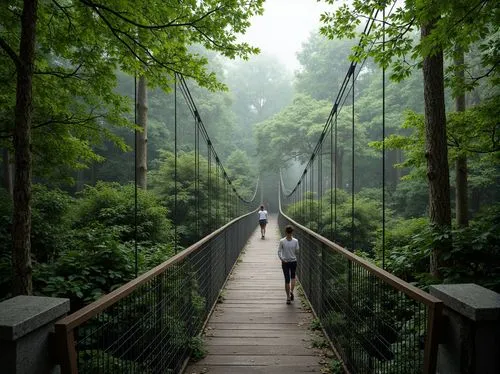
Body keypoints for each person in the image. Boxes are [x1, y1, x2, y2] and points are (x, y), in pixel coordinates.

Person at [277, 225, 299, 305]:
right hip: (293, 261)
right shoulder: (296, 241)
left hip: (285, 262)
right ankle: (291, 291)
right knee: (293, 277)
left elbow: (279, 251)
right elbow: (297, 251)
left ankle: (288, 298)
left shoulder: (282, 241)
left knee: (287, 279)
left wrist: (282, 258)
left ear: (285, 232)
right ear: (292, 232)